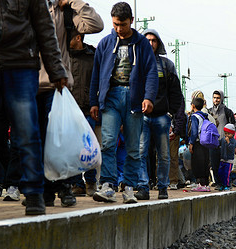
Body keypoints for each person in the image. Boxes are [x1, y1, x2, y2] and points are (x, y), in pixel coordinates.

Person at [0, 0, 68, 214]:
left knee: (27, 130)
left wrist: (56, 69)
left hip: (20, 64)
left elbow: (44, 27)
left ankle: (34, 192)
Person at [36, 0, 103, 207]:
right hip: (27, 83)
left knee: (59, 139)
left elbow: (95, 24)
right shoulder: (27, 8)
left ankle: (63, 187)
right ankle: (42, 189)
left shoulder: (64, 13)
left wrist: (74, 2)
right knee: (33, 140)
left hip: (56, 86)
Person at [90, 2, 158, 204]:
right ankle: (108, 185)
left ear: (131, 21)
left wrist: (148, 97)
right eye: (115, 24)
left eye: (123, 24)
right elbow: (96, 74)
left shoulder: (142, 44)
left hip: (134, 99)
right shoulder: (105, 43)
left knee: (133, 147)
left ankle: (129, 186)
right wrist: (94, 101)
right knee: (109, 142)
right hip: (111, 97)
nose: (119, 29)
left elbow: (152, 73)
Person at [134, 29, 183, 200]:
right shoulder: (135, 64)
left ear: (158, 43)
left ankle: (163, 187)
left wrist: (170, 114)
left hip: (162, 117)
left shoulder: (167, 65)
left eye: (154, 40)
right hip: (142, 117)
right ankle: (143, 186)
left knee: (163, 155)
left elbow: (176, 92)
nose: (150, 43)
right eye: (147, 40)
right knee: (140, 152)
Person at [68, 29, 98, 197]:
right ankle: (76, 183)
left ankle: (91, 182)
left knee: (88, 148)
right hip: (69, 110)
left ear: (78, 38)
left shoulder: (92, 57)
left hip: (88, 109)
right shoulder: (64, 56)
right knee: (72, 148)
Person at [208, 90, 234, 187]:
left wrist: (229, 140)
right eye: (214, 98)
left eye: (218, 98)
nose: (216, 100)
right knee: (214, 164)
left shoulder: (227, 111)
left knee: (224, 163)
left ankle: (225, 182)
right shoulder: (209, 111)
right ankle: (218, 182)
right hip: (213, 142)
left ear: (222, 99)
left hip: (224, 142)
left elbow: (232, 126)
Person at [188, 97, 211, 192]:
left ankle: (200, 184)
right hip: (205, 142)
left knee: (197, 163)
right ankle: (205, 184)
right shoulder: (205, 116)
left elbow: (194, 131)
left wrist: (191, 143)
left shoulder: (194, 116)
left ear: (193, 106)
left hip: (197, 142)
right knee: (205, 163)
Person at [218, 124, 236, 191]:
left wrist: (228, 142)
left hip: (229, 160)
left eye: (229, 134)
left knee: (226, 174)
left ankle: (227, 185)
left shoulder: (233, 141)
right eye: (225, 133)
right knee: (220, 173)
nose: (227, 135)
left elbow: (232, 149)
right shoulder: (223, 139)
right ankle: (222, 184)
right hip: (222, 159)